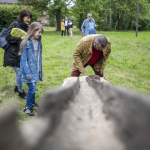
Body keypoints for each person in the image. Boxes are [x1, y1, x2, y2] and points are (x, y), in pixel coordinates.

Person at [4, 9, 32, 99]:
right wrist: (20, 39)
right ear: (22, 16)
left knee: (21, 72)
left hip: (21, 53)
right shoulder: (14, 24)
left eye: (29, 18)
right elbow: (8, 37)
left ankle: (17, 87)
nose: (29, 20)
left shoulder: (26, 26)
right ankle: (20, 91)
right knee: (19, 73)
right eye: (27, 18)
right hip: (12, 53)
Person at [19, 22, 44, 116]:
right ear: (33, 31)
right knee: (32, 87)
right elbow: (23, 60)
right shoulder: (26, 43)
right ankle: (27, 107)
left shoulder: (38, 42)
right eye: (39, 32)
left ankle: (33, 104)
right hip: (28, 71)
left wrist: (38, 71)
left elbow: (38, 58)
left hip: (35, 70)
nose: (40, 34)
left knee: (33, 87)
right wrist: (28, 74)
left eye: (41, 32)